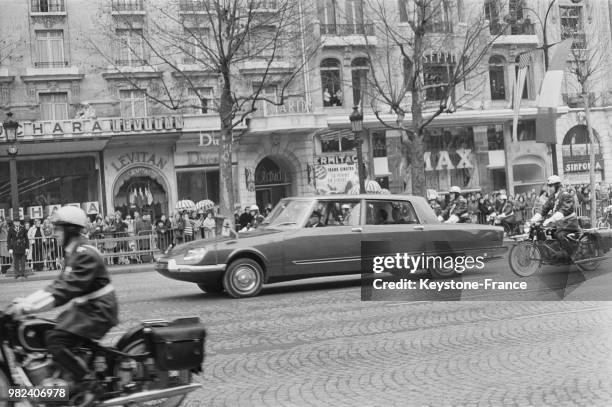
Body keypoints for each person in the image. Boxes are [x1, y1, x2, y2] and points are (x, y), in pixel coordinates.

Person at [8, 206, 118, 407]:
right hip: (86, 308)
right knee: (48, 330)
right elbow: (57, 285)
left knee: (56, 339)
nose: (54, 233)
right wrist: (26, 302)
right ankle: (62, 381)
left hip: (99, 311)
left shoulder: (85, 254)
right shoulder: (73, 252)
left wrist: (28, 308)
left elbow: (65, 290)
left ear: (70, 230)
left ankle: (90, 385)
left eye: (58, 229)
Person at [530, 175, 579, 261]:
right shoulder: (552, 197)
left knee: (559, 235)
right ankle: (555, 253)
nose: (549, 188)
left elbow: (564, 210)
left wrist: (550, 219)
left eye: (551, 186)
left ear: (557, 186)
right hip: (560, 223)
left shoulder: (565, 195)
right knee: (546, 231)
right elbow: (543, 209)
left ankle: (573, 255)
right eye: (548, 186)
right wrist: (533, 219)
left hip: (569, 223)